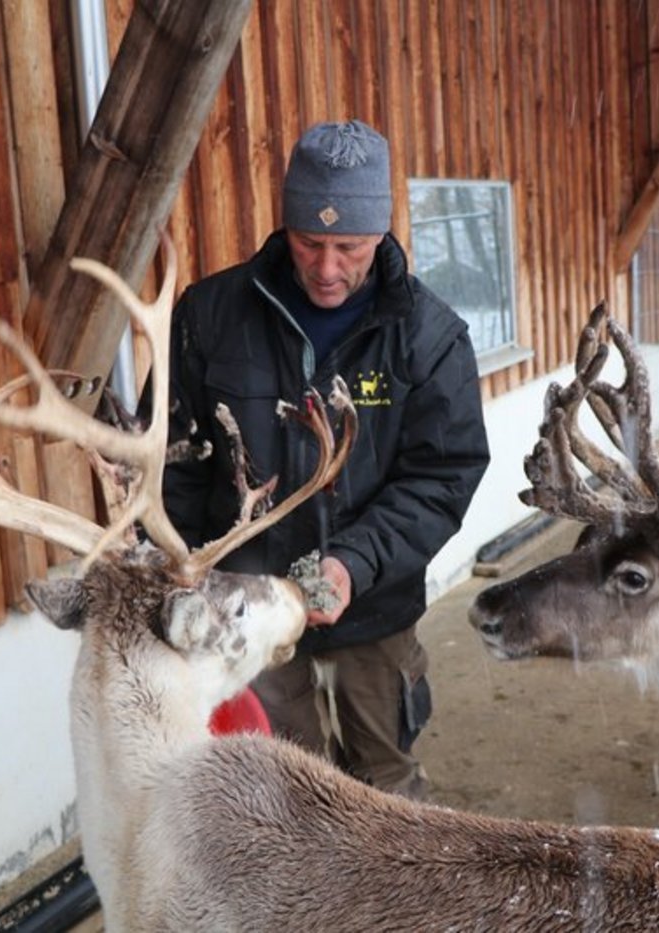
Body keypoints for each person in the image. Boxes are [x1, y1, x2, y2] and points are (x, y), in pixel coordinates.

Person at [141, 119, 489, 799]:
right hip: (247, 604)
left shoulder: (430, 338)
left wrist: (355, 561)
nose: (326, 268)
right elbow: (171, 459)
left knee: (384, 790)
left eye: (349, 246)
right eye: (309, 241)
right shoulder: (209, 316)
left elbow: (441, 476)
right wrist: (177, 572)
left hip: (372, 611)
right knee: (276, 792)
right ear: (285, 226)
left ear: (381, 234)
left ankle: (394, 907)